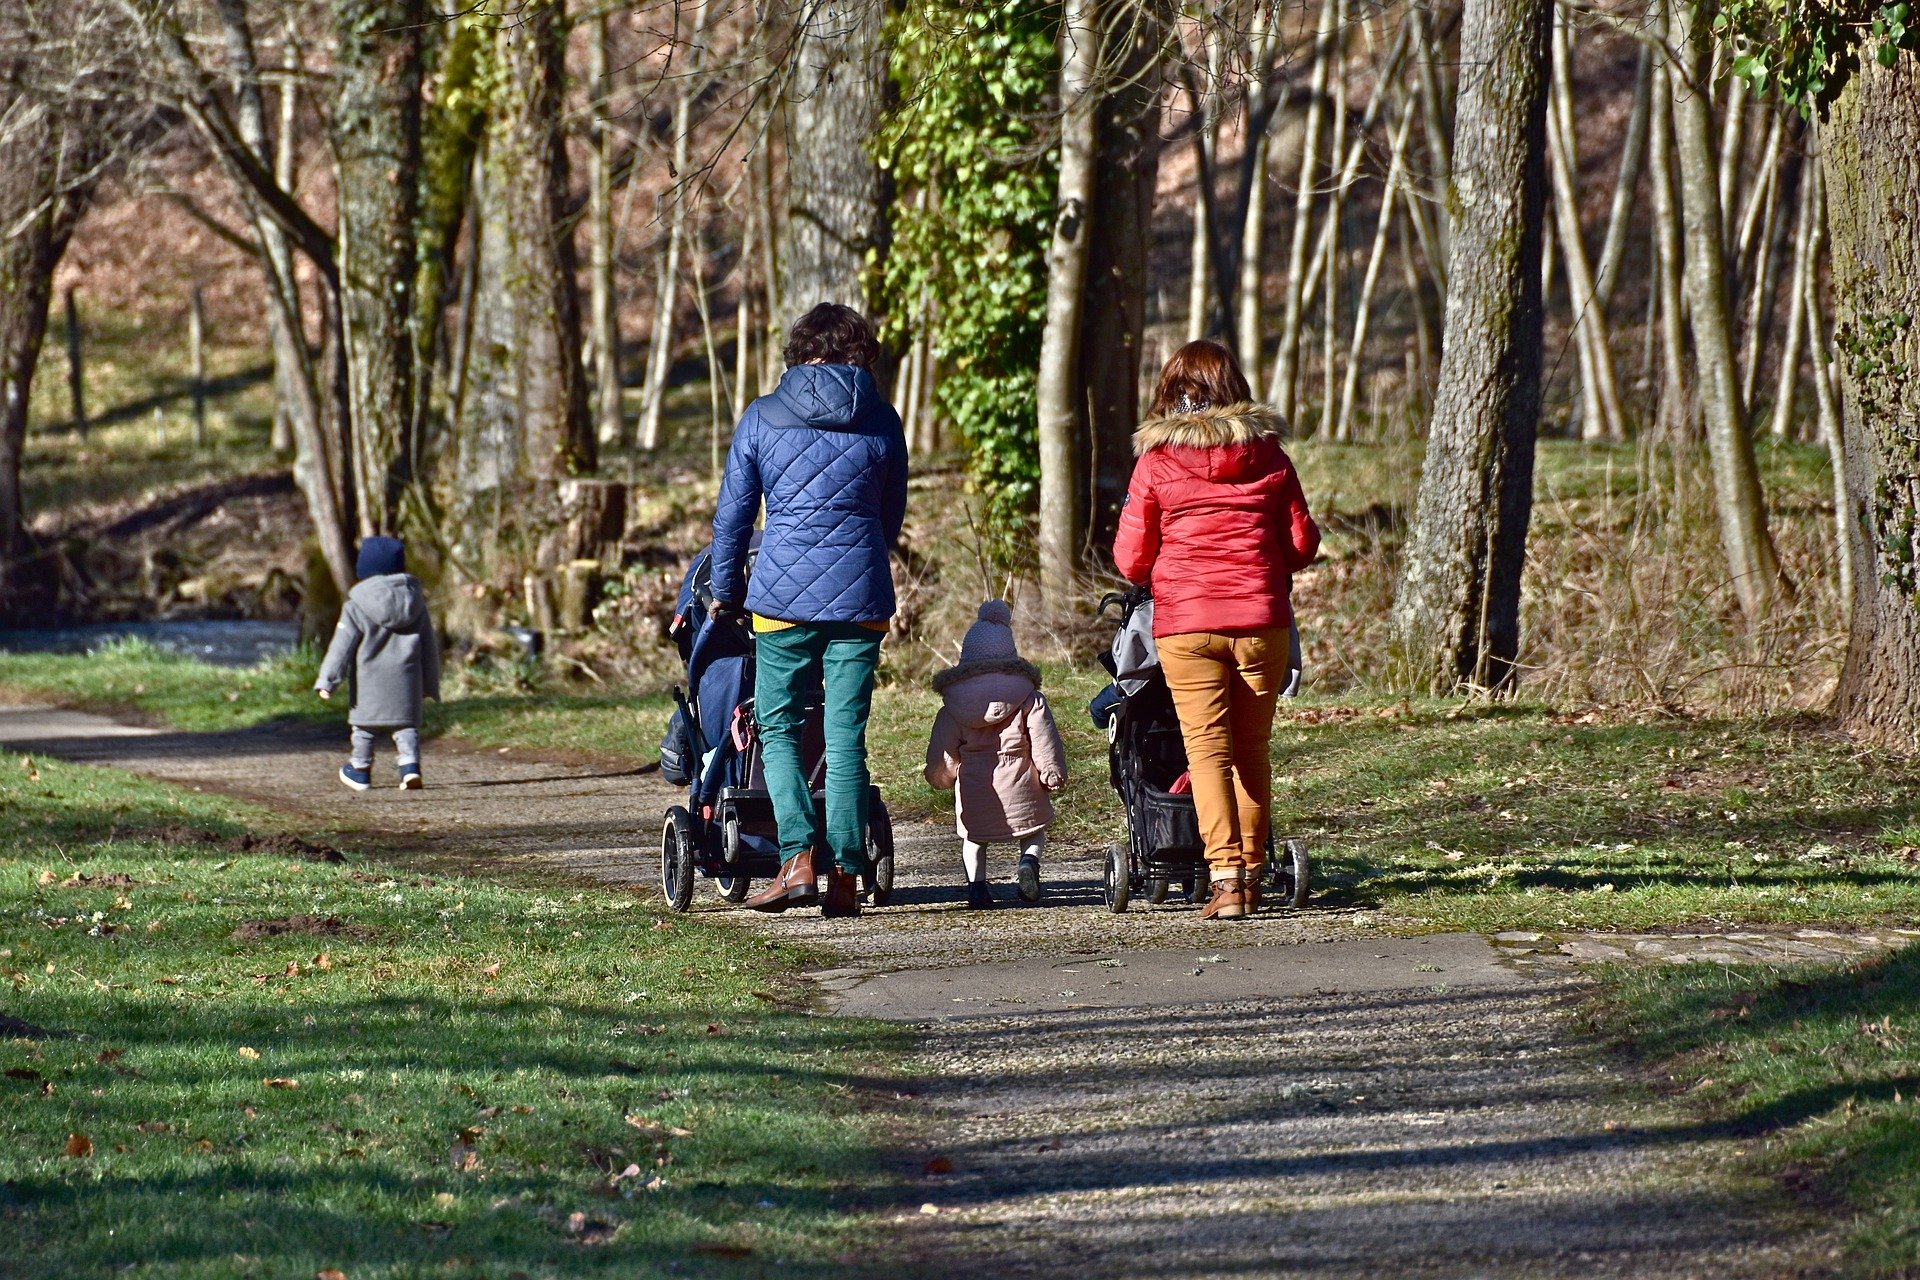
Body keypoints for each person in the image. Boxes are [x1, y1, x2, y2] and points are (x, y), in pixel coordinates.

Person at [709, 303, 908, 919]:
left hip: (782, 601)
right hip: (860, 597)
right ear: (859, 354)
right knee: (845, 736)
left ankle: (796, 860)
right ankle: (846, 874)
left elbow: (735, 516)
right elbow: (890, 515)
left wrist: (724, 590)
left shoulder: (763, 416)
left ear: (797, 353)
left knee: (779, 728)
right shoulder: (881, 418)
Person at [1112, 340, 1320, 920]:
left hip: (1188, 626)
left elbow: (1131, 559)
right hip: (1260, 622)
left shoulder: (1156, 461)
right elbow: (1302, 544)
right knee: (1252, 751)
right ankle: (1254, 875)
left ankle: (1226, 880)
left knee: (1206, 751)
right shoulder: (1270, 456)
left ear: (1170, 390)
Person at [925, 600, 1067, 909]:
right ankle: (1028, 863)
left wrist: (940, 775)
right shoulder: (1029, 697)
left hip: (977, 786)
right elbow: (1043, 738)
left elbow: (945, 751)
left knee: (974, 839)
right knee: (1032, 832)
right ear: (1011, 654)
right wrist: (1051, 772)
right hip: (1021, 780)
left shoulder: (953, 706)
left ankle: (977, 889)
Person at [315, 535, 441, 792]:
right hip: (407, 682)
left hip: (369, 685)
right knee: (406, 727)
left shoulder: (356, 605)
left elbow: (342, 647)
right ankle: (410, 768)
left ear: (365, 568)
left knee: (364, 729)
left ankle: (360, 770)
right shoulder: (416, 602)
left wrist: (328, 680)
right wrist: (430, 685)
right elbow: (429, 647)